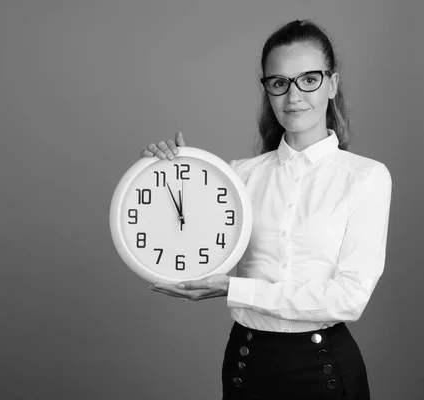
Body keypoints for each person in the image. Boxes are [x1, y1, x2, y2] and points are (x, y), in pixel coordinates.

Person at [143, 20, 392, 399]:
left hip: (323, 369)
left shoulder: (365, 177)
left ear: (332, 84)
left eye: (308, 79)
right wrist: (170, 174)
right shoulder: (239, 175)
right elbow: (197, 255)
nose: (293, 97)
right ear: (268, 91)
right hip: (246, 365)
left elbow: (348, 298)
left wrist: (238, 290)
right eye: (279, 83)